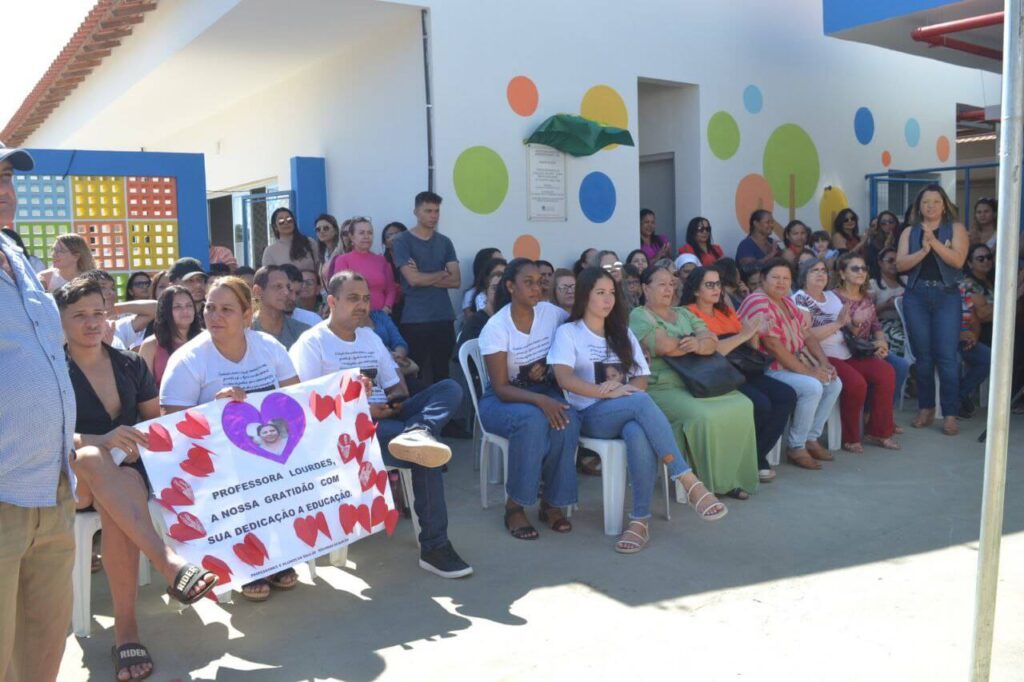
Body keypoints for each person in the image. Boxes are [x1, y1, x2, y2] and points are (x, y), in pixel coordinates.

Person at [56, 278, 217, 680]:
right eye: (79, 316)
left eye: (98, 313)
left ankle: (127, 631)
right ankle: (167, 563)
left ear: (109, 315)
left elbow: (156, 424)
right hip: (72, 478)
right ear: (60, 320)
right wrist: (101, 439)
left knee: (122, 493)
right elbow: (47, 431)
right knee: (93, 455)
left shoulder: (129, 363)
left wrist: (214, 408)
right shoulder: (53, 370)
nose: (92, 323)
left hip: (128, 474)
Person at [289, 270, 472, 577]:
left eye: (365, 299)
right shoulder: (313, 343)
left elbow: (395, 388)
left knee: (449, 389)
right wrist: (359, 407)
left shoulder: (370, 337)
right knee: (423, 455)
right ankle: (435, 546)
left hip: (383, 415)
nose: (361, 305)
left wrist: (391, 401)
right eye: (352, 299)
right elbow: (303, 407)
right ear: (331, 301)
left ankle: (419, 431)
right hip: (343, 431)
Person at [550, 267, 726, 551]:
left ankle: (639, 521)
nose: (607, 300)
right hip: (589, 414)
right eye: (599, 293)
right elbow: (564, 379)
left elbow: (641, 376)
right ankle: (687, 478)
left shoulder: (621, 333)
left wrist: (628, 393)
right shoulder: (569, 333)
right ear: (585, 296)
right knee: (641, 403)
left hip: (626, 410)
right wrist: (606, 392)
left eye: (611, 293)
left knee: (637, 430)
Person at [160, 276, 301, 601]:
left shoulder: (268, 347)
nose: (215, 316)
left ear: (246, 315)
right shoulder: (189, 359)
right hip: (212, 456)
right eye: (209, 308)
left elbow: (297, 402)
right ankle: (251, 558)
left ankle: (277, 552)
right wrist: (214, 412)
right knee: (244, 467)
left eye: (226, 309)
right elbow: (172, 427)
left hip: (269, 446)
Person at [0, 145, 75, 682]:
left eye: (7, 177)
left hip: (53, 489)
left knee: (45, 647)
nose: (6, 190)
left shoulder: (18, 256)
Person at [629, 264, 759, 496]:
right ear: (645, 288)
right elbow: (664, 346)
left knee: (743, 404)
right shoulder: (639, 315)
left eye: (671, 284)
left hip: (697, 381)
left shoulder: (684, 313)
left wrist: (698, 343)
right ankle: (705, 484)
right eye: (661, 284)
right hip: (663, 386)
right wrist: (695, 343)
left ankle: (732, 479)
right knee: (705, 416)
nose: (668, 289)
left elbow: (711, 343)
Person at [478, 259, 580, 539]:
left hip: (541, 393)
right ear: (510, 287)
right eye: (529, 282)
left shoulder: (551, 314)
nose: (537, 288)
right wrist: (541, 402)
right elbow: (500, 387)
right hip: (501, 401)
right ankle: (515, 506)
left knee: (567, 419)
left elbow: (577, 331)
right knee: (534, 420)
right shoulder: (497, 327)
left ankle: (551, 502)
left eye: (540, 282)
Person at [683, 266, 797, 482]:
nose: (716, 289)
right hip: (716, 374)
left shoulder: (725, 311)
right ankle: (753, 459)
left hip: (743, 369)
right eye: (709, 285)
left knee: (787, 395)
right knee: (761, 404)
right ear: (696, 290)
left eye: (718, 284)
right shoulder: (689, 313)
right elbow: (712, 352)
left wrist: (756, 331)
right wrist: (745, 333)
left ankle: (754, 455)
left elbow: (749, 346)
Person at [738, 259, 842, 469]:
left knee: (834, 382)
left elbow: (808, 335)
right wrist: (810, 372)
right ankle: (796, 446)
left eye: (786, 278)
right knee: (812, 386)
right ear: (762, 279)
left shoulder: (786, 302)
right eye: (775, 277)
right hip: (765, 368)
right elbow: (773, 347)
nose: (781, 282)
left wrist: (824, 364)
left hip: (791, 363)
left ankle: (811, 438)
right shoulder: (759, 301)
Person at [805, 255, 901, 451]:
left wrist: (880, 341)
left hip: (855, 349)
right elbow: (844, 329)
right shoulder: (831, 296)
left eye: (864, 268)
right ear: (842, 273)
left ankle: (879, 431)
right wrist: (855, 323)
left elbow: (870, 326)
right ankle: (850, 437)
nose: (861, 272)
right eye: (855, 269)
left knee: (887, 371)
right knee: (857, 383)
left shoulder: (865, 298)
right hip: (830, 353)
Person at [896, 183, 968, 435]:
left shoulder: (956, 228)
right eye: (926, 202)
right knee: (923, 356)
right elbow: (900, 264)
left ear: (944, 204)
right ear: (919, 206)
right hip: (916, 295)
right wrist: (924, 250)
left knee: (947, 356)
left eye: (936, 202)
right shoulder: (908, 232)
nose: (930, 206)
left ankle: (949, 413)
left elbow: (957, 260)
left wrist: (934, 242)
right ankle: (925, 407)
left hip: (946, 294)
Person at [391, 192, 460, 383]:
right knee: (416, 373)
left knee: (442, 372)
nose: (434, 215)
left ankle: (445, 412)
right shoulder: (402, 241)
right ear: (416, 211)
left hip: (443, 316)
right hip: (415, 319)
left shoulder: (445, 242)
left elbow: (456, 281)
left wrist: (423, 275)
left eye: (436, 211)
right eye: (428, 211)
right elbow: (412, 280)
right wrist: (441, 273)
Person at [327, 218, 399, 314]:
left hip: (382, 316)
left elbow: (391, 289)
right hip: (355, 316)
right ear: (352, 237)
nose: (366, 236)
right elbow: (340, 290)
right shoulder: (343, 260)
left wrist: (387, 307)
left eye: (370, 233)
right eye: (361, 233)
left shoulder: (381, 260)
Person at [138, 285, 202, 387]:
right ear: (165, 311)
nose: (185, 311)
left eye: (189, 305)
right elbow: (144, 390)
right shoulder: (151, 345)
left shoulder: (206, 339)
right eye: (177, 307)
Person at [251, 265, 311, 349]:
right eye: (278, 286)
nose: (286, 292)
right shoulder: (244, 332)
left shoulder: (303, 333)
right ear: (258, 291)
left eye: (287, 287)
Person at [957, 279, 992, 419]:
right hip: (943, 341)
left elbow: (974, 320)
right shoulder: (936, 293)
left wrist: (973, 338)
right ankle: (954, 403)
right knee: (954, 361)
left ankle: (960, 395)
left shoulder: (963, 292)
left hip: (964, 339)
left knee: (988, 358)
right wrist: (957, 335)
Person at [869, 247, 906, 356]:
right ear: (880, 263)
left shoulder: (906, 280)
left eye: (897, 260)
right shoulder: (873, 284)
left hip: (906, 322)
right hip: (883, 324)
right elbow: (868, 313)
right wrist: (886, 306)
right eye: (890, 261)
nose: (894, 263)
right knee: (902, 341)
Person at [262, 207, 317, 274]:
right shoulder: (269, 251)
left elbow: (319, 266)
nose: (286, 223)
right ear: (275, 227)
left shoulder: (309, 242)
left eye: (289, 220)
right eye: (281, 221)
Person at [963, 243, 995, 345]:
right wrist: (1012, 302)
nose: (986, 261)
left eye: (989, 257)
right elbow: (982, 315)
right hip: (982, 335)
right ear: (970, 263)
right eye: (980, 259)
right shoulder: (968, 284)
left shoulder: (993, 279)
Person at [461, 248, 503, 316]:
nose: (501, 264)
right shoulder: (471, 294)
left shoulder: (509, 290)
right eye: (497, 261)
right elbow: (470, 322)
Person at [278, 263, 322, 327]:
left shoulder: (313, 320)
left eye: (297, 293)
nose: (294, 298)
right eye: (289, 291)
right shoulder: (259, 324)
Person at [864, 210, 901, 279]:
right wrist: (886, 247)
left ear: (896, 223)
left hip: (898, 275)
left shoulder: (902, 238)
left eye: (891, 221)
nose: (887, 225)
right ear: (879, 225)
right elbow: (872, 262)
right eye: (883, 223)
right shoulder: (874, 241)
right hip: (878, 277)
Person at [314, 214, 346, 288]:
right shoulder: (322, 253)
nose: (321, 231)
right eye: (318, 229)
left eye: (326, 228)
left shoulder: (342, 251)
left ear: (335, 231)